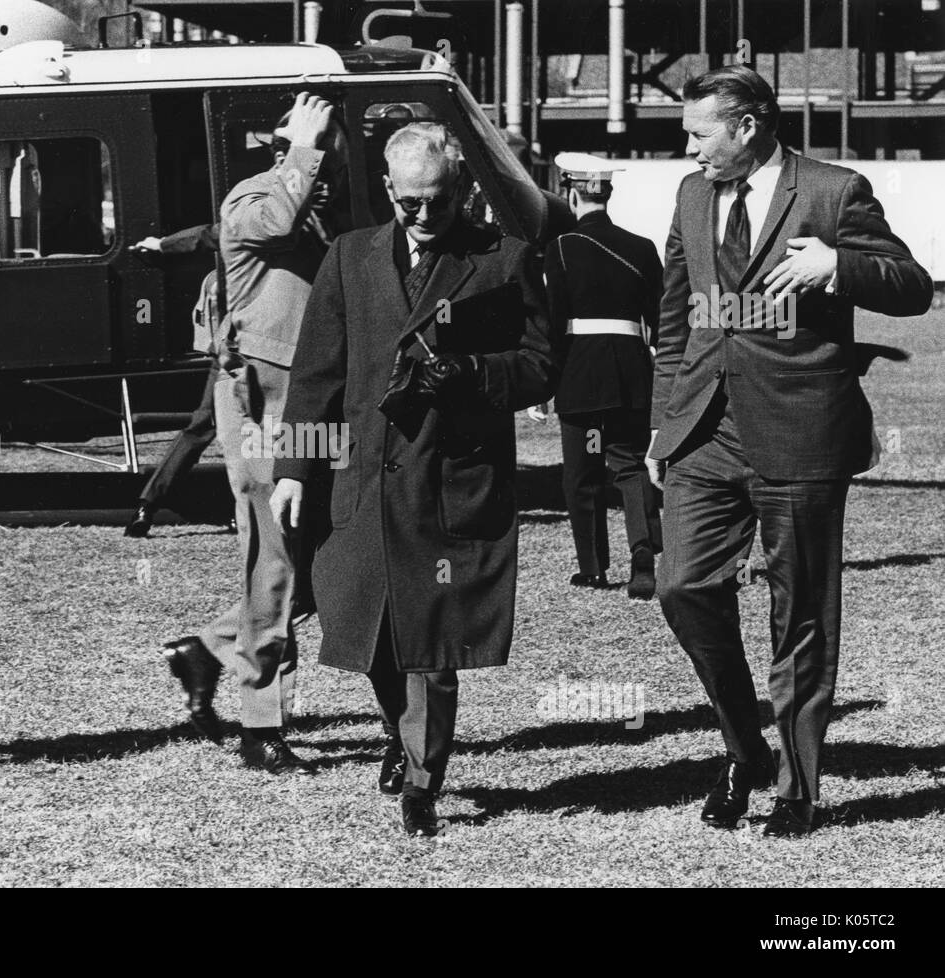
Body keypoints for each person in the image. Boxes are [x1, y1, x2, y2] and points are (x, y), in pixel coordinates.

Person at [646, 66, 934, 837]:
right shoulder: (690, 194)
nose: (688, 145)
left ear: (746, 126)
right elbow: (676, 317)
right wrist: (659, 424)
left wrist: (839, 267)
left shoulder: (834, 191)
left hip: (802, 432)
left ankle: (796, 789)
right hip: (704, 429)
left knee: (799, 614)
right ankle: (745, 748)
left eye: (699, 131)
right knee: (681, 587)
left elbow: (912, 285)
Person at [270, 123, 558, 837]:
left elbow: (542, 365)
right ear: (389, 193)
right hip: (365, 479)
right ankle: (403, 732)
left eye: (435, 202)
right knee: (365, 627)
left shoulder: (506, 259)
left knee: (432, 641)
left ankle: (423, 781)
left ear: (460, 190)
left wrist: (473, 374)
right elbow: (316, 377)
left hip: (450, 479)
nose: (422, 216)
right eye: (407, 203)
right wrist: (293, 471)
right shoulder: (349, 257)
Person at [161, 92, 346, 775]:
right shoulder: (251, 202)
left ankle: (209, 649)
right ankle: (261, 724)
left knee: (322, 572)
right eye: (314, 147)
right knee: (275, 564)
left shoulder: (320, 219)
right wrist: (303, 147)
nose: (324, 163)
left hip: (321, 415)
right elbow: (276, 216)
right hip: (265, 414)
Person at [545, 152, 664, 599]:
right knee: (629, 465)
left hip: (579, 368)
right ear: (607, 193)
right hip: (632, 368)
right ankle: (642, 553)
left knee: (582, 474)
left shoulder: (559, 247)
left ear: (570, 192)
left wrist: (547, 380)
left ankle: (593, 568)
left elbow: (555, 319)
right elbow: (658, 318)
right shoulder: (643, 247)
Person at [123, 223, 233, 538]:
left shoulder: (256, 213)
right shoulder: (295, 222)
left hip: (231, 346)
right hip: (266, 347)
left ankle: (148, 504)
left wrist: (162, 245)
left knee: (202, 426)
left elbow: (207, 235)